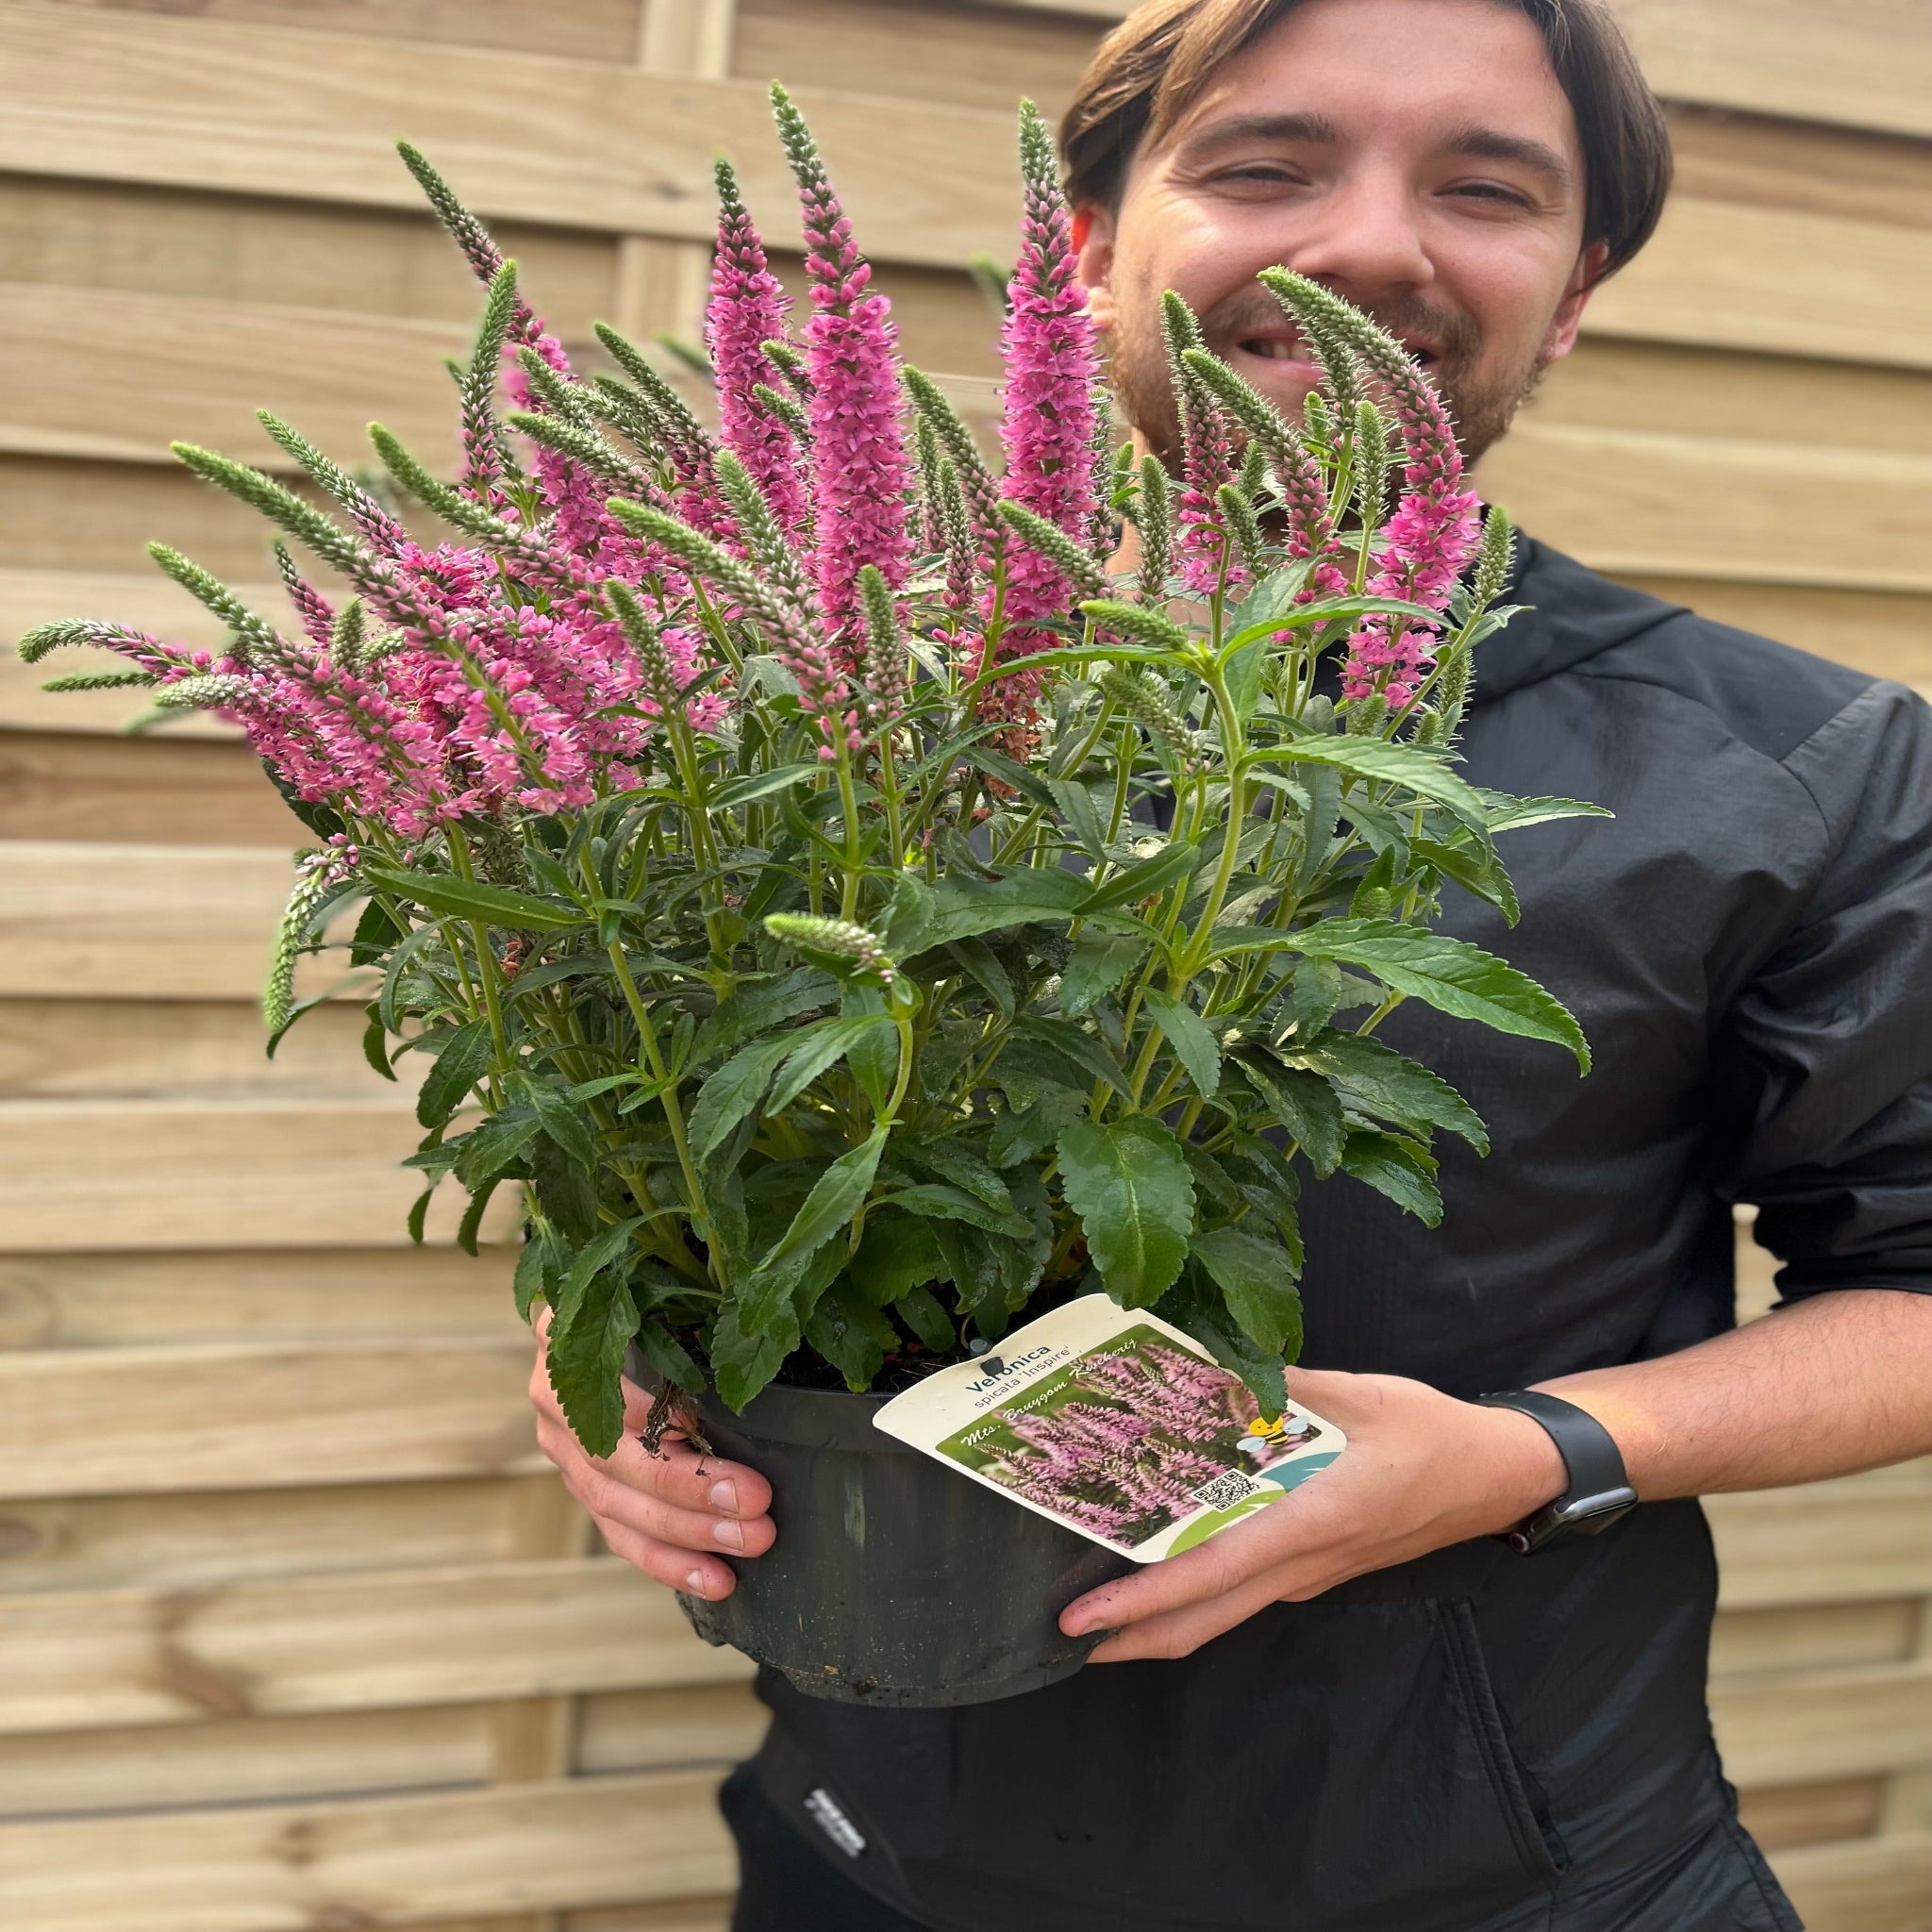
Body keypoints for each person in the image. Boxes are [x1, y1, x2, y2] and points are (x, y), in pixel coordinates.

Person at [529, 1, 1932, 1924]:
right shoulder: (843, 722)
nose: (1369, 246)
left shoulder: (1792, 768)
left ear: (1579, 288)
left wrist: (1534, 1454)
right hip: (872, 1853)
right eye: (1265, 165)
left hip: (1504, 1880)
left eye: (1485, 186)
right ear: (1082, 251)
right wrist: (616, 1369)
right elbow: (695, 1155)